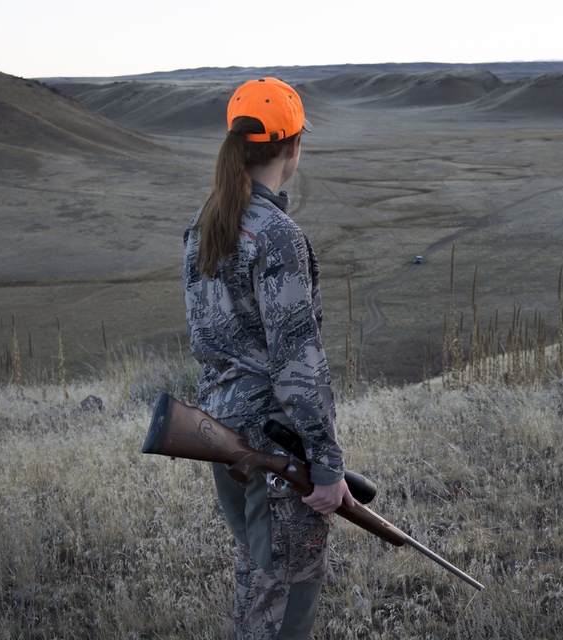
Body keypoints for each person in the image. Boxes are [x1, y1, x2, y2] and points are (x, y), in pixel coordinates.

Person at [183, 77, 353, 639]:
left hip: (221, 435)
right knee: (287, 604)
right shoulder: (277, 235)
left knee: (259, 584)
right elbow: (297, 363)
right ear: (293, 147)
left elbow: (210, 341)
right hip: (274, 447)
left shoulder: (205, 225)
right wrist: (325, 466)